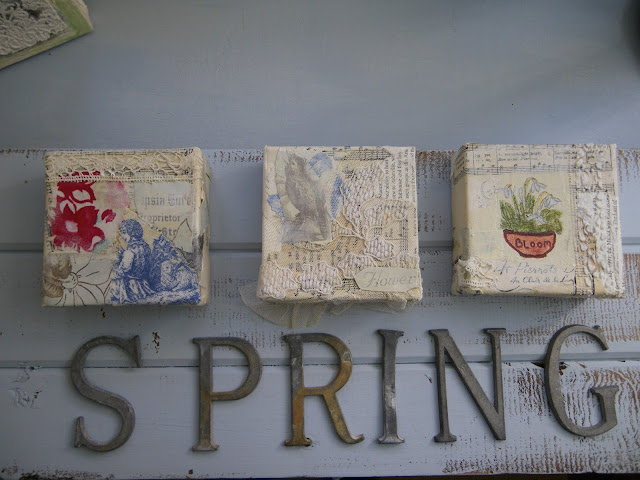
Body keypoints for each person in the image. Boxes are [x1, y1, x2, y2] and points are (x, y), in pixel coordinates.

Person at [110, 219, 155, 303]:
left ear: (131, 232)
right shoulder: (146, 247)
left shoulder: (129, 251)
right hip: (145, 284)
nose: (122, 236)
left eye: (124, 232)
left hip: (131, 287)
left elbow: (123, 270)